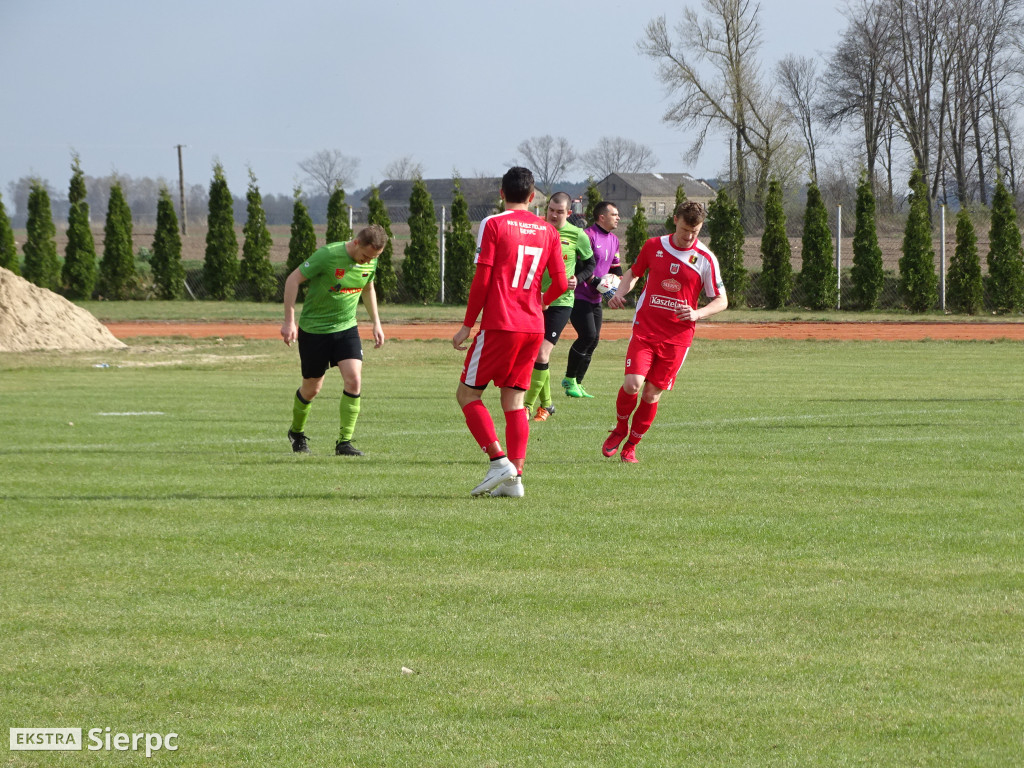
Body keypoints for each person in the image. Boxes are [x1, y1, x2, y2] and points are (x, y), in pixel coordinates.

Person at [452, 167, 567, 498]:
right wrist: (537, 302)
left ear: (501, 194)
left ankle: (498, 460)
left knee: (467, 394)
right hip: (533, 327)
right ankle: (515, 480)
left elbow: (483, 279)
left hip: (501, 323)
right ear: (533, 197)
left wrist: (467, 324)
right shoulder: (548, 231)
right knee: (514, 401)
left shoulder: (494, 224)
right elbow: (560, 283)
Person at [603, 201, 728, 463]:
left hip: (677, 338)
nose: (689, 236)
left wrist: (697, 313)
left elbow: (721, 300)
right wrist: (618, 293)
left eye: (695, 231)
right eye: (685, 229)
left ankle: (631, 446)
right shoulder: (654, 246)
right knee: (633, 384)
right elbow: (634, 273)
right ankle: (620, 428)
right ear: (675, 220)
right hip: (646, 328)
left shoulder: (705, 259)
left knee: (651, 393)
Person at [280, 224, 388, 456]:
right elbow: (292, 279)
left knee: (354, 380)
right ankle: (296, 432)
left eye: (373, 258)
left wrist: (376, 323)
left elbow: (368, 288)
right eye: (365, 256)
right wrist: (289, 321)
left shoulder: (371, 260)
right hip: (314, 330)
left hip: (346, 328)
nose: (367, 261)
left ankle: (344, 443)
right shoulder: (328, 255)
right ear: (356, 243)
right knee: (312, 389)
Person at [522, 191, 595, 421]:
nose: (554, 215)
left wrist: (579, 278)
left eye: (559, 211)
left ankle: (527, 406)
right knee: (536, 355)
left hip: (561, 301)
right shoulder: (538, 231)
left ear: (569, 213)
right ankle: (548, 404)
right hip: (536, 300)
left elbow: (590, 263)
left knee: (542, 352)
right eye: (551, 210)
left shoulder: (577, 235)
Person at [563, 201, 622, 398]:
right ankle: (569, 379)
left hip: (596, 298)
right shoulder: (587, 236)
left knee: (594, 340)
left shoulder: (614, 239)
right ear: (602, 217)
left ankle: (577, 383)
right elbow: (580, 266)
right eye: (614, 214)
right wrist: (596, 281)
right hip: (579, 294)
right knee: (587, 336)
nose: (618, 217)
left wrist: (616, 284)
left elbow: (615, 266)